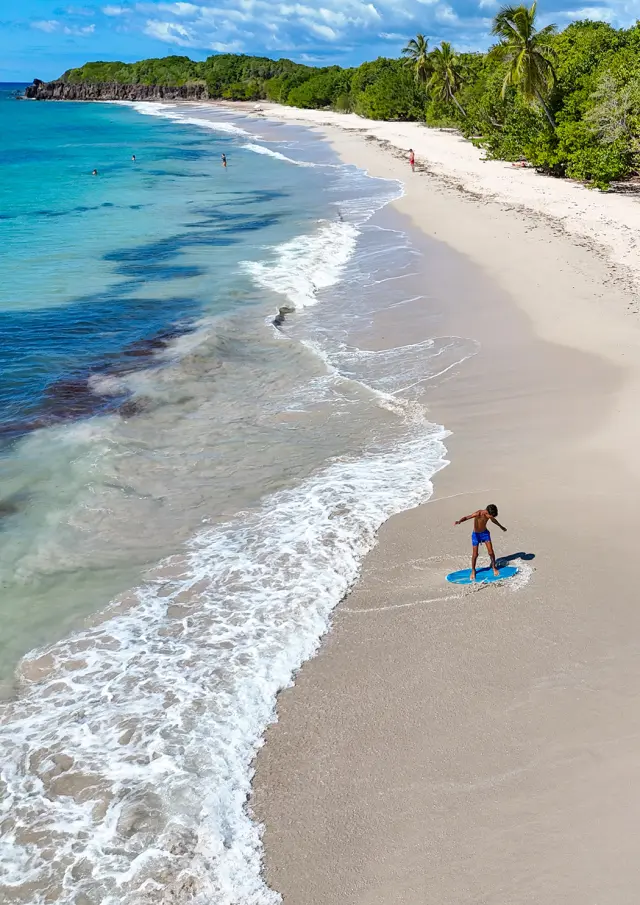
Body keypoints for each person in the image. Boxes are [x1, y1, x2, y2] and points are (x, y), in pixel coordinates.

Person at [454, 504, 507, 580]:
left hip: (485, 534)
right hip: (476, 535)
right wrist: (459, 521)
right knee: (475, 554)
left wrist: (501, 526)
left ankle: (493, 567)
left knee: (491, 552)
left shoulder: (489, 515)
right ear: (487, 512)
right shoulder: (478, 513)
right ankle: (473, 570)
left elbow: (493, 520)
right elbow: (467, 517)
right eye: (491, 516)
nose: (491, 517)